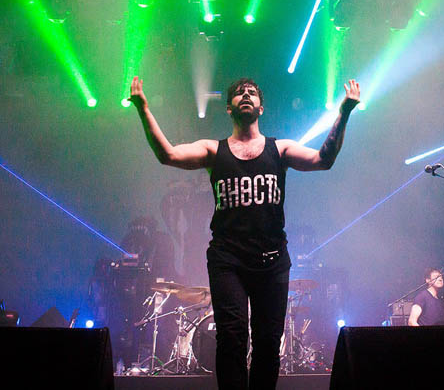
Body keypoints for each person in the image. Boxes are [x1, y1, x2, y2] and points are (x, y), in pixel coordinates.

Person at [129, 76, 360, 390]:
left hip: (273, 261)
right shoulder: (214, 151)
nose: (246, 95)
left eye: (251, 92)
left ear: (261, 108)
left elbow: (323, 160)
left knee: (267, 344)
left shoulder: (280, 149)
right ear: (229, 108)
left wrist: (344, 112)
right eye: (239, 93)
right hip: (228, 260)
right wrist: (143, 108)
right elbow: (167, 155)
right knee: (232, 339)